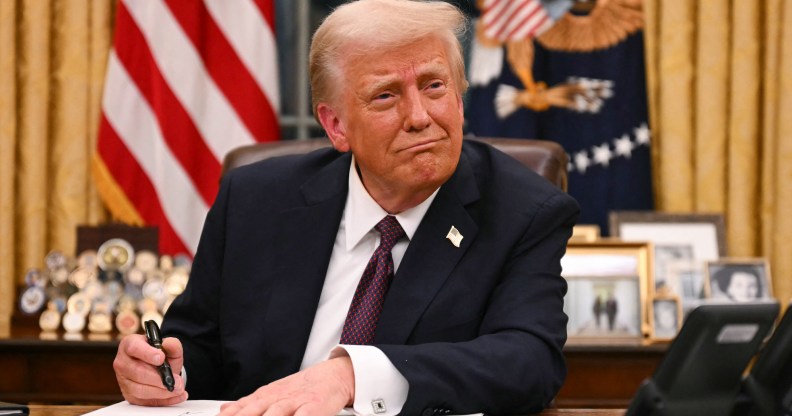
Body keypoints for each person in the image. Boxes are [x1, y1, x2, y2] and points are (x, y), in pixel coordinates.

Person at [111, 0, 579, 415]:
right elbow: (197, 346)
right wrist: (164, 373)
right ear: (336, 126)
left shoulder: (524, 211)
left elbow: (530, 361)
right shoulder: (255, 200)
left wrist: (353, 375)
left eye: (435, 86)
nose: (420, 117)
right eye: (386, 95)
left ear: (459, 98)